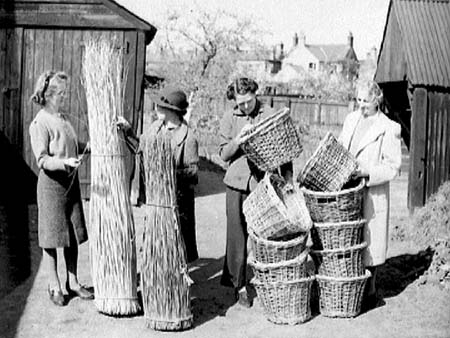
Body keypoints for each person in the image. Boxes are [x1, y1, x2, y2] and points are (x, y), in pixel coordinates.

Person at [218, 77, 293, 307]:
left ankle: (264, 282)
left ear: (255, 95)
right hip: (237, 184)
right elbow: (223, 154)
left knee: (264, 235)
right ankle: (238, 285)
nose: (246, 107)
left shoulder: (269, 113)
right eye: (241, 103)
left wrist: (288, 180)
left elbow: (284, 150)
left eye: (249, 101)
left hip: (263, 185)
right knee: (237, 235)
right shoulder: (230, 117)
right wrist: (238, 141)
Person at [29, 71, 94, 306]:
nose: (65, 98)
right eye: (62, 94)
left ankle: (73, 282)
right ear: (50, 96)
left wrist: (90, 146)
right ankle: (54, 285)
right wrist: (65, 162)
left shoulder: (63, 119)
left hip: (70, 184)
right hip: (51, 187)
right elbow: (43, 160)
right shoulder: (40, 123)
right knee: (52, 238)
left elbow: (73, 144)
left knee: (72, 234)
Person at [118, 86, 199, 264]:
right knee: (156, 246)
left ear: (173, 111)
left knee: (176, 248)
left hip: (177, 203)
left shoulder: (188, 138)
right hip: (156, 200)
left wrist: (167, 173)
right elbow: (141, 148)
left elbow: (193, 173)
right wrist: (127, 131)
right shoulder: (155, 127)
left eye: (160, 106)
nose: (156, 108)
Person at [338, 80, 402, 308]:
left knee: (370, 243)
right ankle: (351, 287)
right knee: (349, 239)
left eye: (366, 101)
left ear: (377, 100)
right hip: (348, 191)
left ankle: (370, 292)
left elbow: (394, 167)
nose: (362, 105)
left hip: (370, 192)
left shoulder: (388, 127)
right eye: (359, 100)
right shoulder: (351, 120)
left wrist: (367, 173)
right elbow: (341, 147)